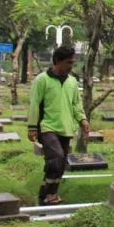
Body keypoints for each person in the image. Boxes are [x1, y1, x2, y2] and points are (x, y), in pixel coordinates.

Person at [27, 46, 90, 205]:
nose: (71, 66)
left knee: (60, 164)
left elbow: (76, 103)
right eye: (68, 62)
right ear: (57, 61)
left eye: (73, 62)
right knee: (56, 157)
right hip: (47, 126)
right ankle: (50, 194)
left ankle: (45, 191)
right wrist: (32, 127)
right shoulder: (42, 79)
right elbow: (35, 104)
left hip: (66, 127)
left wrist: (82, 120)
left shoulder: (72, 82)